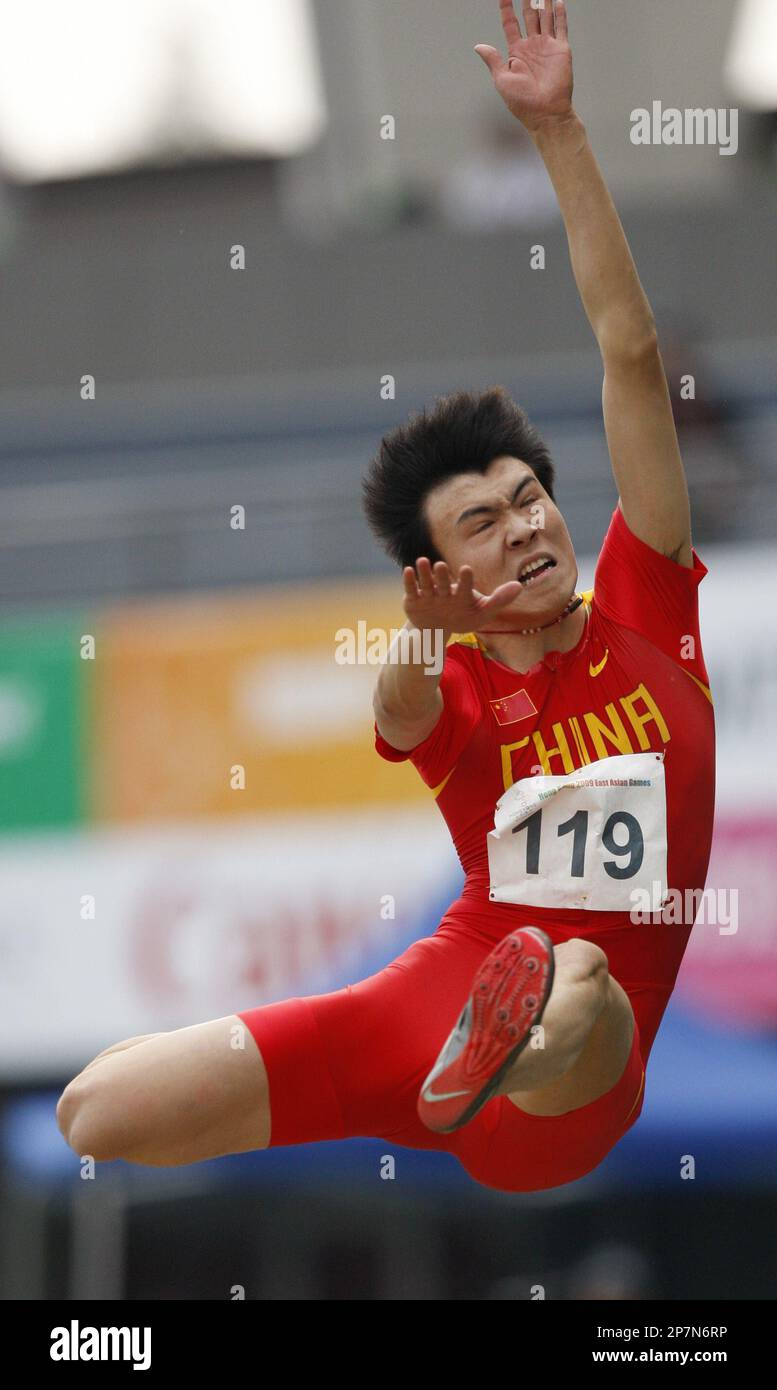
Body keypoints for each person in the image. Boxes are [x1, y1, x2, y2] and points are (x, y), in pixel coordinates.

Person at [57, 1, 715, 1194]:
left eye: (529, 497)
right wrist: (421, 643)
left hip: (579, 1076)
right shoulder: (450, 675)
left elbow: (628, 351)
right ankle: (447, 1053)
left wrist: (560, 131)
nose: (524, 524)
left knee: (582, 981)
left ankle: (503, 1044)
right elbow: (405, 709)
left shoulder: (648, 598)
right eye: (483, 521)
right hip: (436, 999)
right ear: (445, 575)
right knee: (98, 1110)